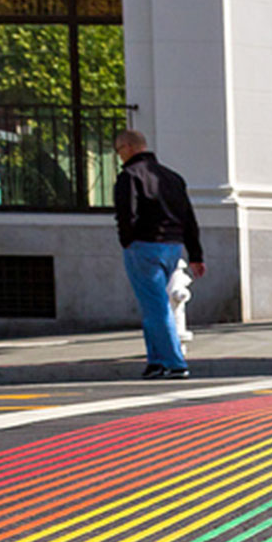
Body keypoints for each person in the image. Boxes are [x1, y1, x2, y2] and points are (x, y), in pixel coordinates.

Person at [114, 129, 203, 380]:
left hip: (144, 245)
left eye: (119, 151)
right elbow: (188, 218)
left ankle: (174, 362)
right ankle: (156, 361)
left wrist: (127, 240)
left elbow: (127, 214)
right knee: (154, 305)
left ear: (128, 147)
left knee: (155, 307)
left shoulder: (129, 176)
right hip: (173, 246)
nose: (120, 156)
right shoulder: (173, 178)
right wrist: (195, 253)